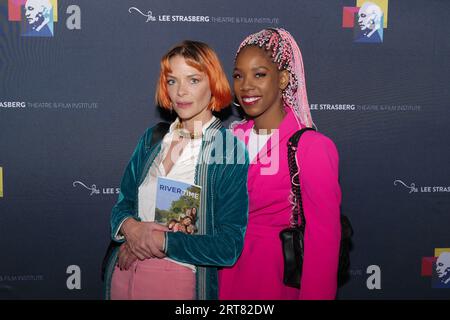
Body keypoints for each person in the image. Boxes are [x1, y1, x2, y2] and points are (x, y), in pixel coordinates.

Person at [103, 40, 249, 300]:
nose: (181, 91)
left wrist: (158, 242)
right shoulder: (153, 139)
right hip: (123, 275)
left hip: (176, 283)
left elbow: (228, 247)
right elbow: (122, 205)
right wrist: (130, 228)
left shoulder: (227, 150)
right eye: (172, 81)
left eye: (193, 80)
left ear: (213, 83)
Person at [218, 28, 341, 299]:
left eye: (259, 74)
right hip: (221, 279)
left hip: (271, 283)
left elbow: (323, 246)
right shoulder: (226, 141)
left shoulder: (312, 148)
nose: (245, 86)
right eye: (238, 75)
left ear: (283, 79)